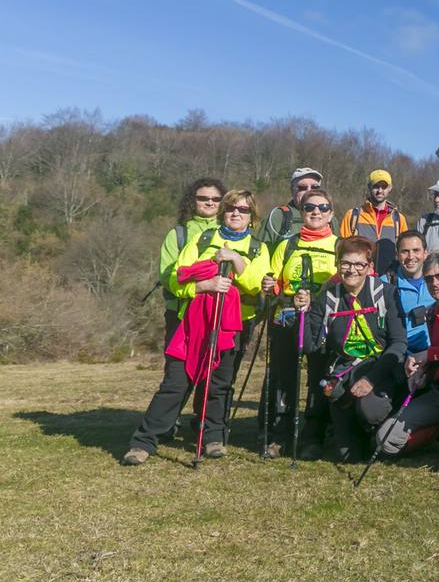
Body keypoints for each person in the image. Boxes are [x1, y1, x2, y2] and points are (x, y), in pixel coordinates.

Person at [123, 189, 270, 465]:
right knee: (176, 382)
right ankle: (143, 442)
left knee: (220, 383)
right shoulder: (202, 240)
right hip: (194, 322)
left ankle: (213, 437)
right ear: (223, 213)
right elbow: (177, 279)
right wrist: (204, 285)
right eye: (230, 208)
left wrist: (236, 260)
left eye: (243, 209)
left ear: (252, 217)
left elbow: (256, 283)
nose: (236, 213)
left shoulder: (258, 248)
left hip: (234, 325)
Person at [308, 236, 407, 463]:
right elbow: (309, 344)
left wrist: (371, 379)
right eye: (345, 263)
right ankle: (348, 424)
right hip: (343, 369)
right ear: (338, 264)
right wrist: (304, 311)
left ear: (370, 267)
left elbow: (399, 341)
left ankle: (375, 425)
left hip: (378, 367)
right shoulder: (328, 298)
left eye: (359, 264)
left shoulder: (386, 294)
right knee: (347, 456)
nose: (351, 270)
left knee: (371, 408)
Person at [261, 187, 339, 459]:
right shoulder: (287, 244)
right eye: (309, 207)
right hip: (287, 317)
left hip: (322, 321)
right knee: (285, 378)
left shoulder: (338, 245)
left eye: (322, 207)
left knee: (318, 378)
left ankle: (313, 436)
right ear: (301, 212)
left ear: (331, 213)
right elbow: (274, 284)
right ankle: (282, 436)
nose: (316, 212)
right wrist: (271, 287)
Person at [375, 252, 439, 458]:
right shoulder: (431, 312)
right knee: (385, 441)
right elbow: (433, 356)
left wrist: (429, 355)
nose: (435, 283)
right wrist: (421, 369)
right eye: (429, 278)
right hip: (438, 393)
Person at [156, 177, 225, 348]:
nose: (210, 202)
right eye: (203, 198)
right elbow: (166, 275)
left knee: (215, 372)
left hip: (220, 311)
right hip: (180, 311)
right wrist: (201, 285)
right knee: (176, 372)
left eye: (216, 199)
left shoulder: (230, 232)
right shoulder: (178, 234)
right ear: (192, 201)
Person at [339, 169, 408, 275]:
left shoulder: (399, 219)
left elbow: (404, 251)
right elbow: (343, 250)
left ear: (390, 188)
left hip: (389, 279)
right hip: (359, 277)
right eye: (376, 186)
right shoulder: (352, 215)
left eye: (384, 187)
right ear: (369, 187)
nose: (380, 191)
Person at [388, 230, 435, 347]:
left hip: (434, 354)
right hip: (401, 355)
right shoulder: (385, 284)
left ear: (425, 253)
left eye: (416, 250)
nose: (410, 257)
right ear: (397, 255)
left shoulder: (438, 282)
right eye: (405, 251)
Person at [260, 168, 324, 247]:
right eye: (302, 187)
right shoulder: (277, 216)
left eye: (314, 187)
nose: (309, 191)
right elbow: (260, 253)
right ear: (292, 190)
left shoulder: (328, 217)